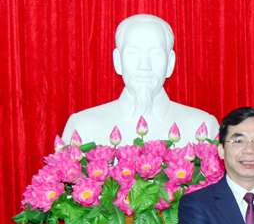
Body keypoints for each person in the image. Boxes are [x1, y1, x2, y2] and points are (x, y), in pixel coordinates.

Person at [61, 14, 219, 146]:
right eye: (132, 53)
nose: (144, 66)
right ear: (117, 61)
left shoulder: (203, 127)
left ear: (170, 63)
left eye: (155, 53)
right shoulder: (83, 127)